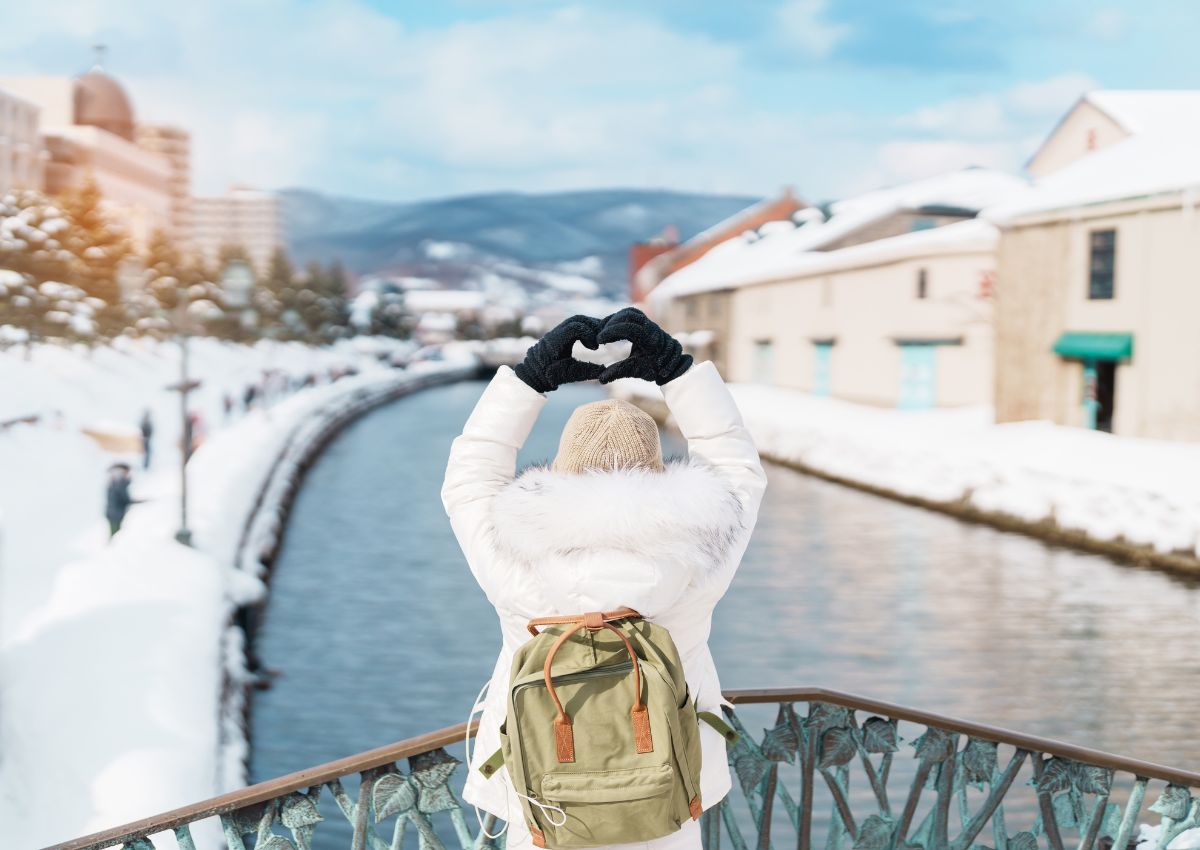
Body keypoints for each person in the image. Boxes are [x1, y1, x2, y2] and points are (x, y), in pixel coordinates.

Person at [442, 308, 766, 849]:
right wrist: (677, 372)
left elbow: (470, 476)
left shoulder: (514, 554)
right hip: (666, 790)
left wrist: (528, 381)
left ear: (560, 471)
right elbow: (737, 467)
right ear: (658, 469)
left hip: (543, 798)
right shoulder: (701, 547)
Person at [105, 463, 135, 538]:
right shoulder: (118, 483)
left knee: (115, 535)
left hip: (113, 513)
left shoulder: (114, 482)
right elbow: (124, 499)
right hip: (115, 514)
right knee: (116, 536)